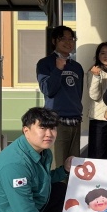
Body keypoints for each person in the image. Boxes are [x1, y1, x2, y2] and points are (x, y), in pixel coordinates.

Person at [36, 25, 84, 168]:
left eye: (71, 39)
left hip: (75, 119)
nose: (68, 42)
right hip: (56, 121)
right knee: (57, 164)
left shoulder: (77, 66)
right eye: (63, 39)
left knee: (74, 166)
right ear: (54, 41)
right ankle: (57, 185)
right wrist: (58, 69)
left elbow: (78, 93)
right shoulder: (45, 63)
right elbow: (48, 90)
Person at [86, 42, 107, 159]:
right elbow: (94, 96)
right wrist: (96, 76)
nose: (106, 56)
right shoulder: (93, 72)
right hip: (98, 120)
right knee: (97, 155)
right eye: (103, 53)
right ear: (98, 56)